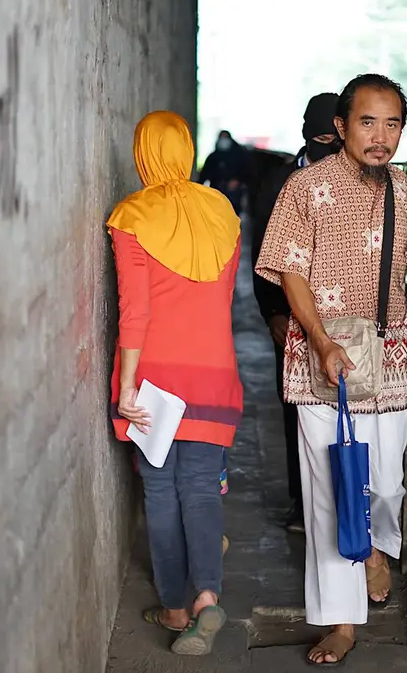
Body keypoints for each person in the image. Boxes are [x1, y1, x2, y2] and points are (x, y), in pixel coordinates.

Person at [254, 74, 407, 666]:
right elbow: (290, 271)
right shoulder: (305, 188)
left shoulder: (403, 189)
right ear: (342, 127)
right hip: (322, 364)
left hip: (387, 356)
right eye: (367, 122)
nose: (380, 136)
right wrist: (319, 341)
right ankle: (342, 624)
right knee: (329, 494)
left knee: (387, 483)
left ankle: (375, 547)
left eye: (392, 123)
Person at [109, 110, 244, 657]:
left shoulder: (131, 217)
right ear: (186, 150)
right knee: (201, 487)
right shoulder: (222, 213)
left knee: (161, 492)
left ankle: (172, 606)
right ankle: (208, 596)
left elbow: (134, 313)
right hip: (216, 373)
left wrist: (125, 386)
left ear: (143, 153)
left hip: (157, 382)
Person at [250, 92, 342, 534]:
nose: (329, 148)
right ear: (307, 133)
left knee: (343, 407)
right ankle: (301, 503)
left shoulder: (355, 179)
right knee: (294, 409)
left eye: (335, 138)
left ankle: (341, 499)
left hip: (341, 317)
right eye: (322, 139)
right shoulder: (277, 184)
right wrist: (272, 313)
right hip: (288, 318)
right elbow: (260, 255)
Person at [198, 130, 251, 213]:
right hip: (217, 192)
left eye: (225, 138)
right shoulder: (213, 157)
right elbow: (204, 175)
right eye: (221, 138)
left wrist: (237, 180)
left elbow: (247, 172)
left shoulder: (240, 156)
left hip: (234, 194)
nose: (223, 141)